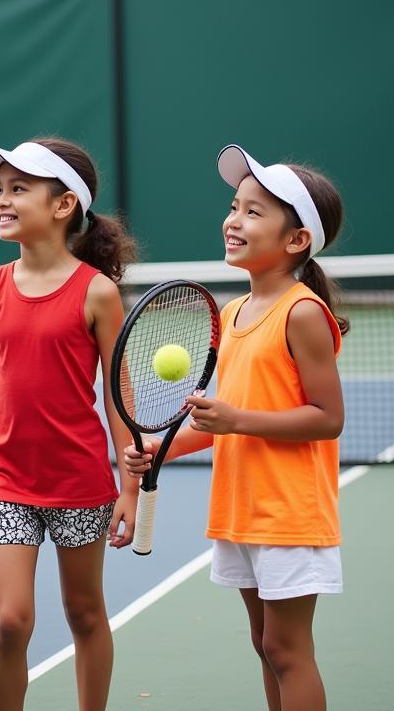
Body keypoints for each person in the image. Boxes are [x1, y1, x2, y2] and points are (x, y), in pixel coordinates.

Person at [125, 144, 348, 711]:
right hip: (241, 505)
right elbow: (226, 416)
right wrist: (159, 450)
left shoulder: (301, 312)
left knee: (287, 648)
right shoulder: (231, 313)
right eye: (233, 206)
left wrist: (236, 419)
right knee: (264, 643)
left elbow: (328, 419)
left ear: (296, 240)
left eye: (253, 211)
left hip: (289, 510)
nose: (233, 220)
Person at [0, 138, 139, 711]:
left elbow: (116, 394)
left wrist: (129, 486)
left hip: (80, 484)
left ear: (63, 206)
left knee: (84, 612)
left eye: (18, 189)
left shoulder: (99, 293)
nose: (1, 201)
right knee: (11, 622)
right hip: (9, 482)